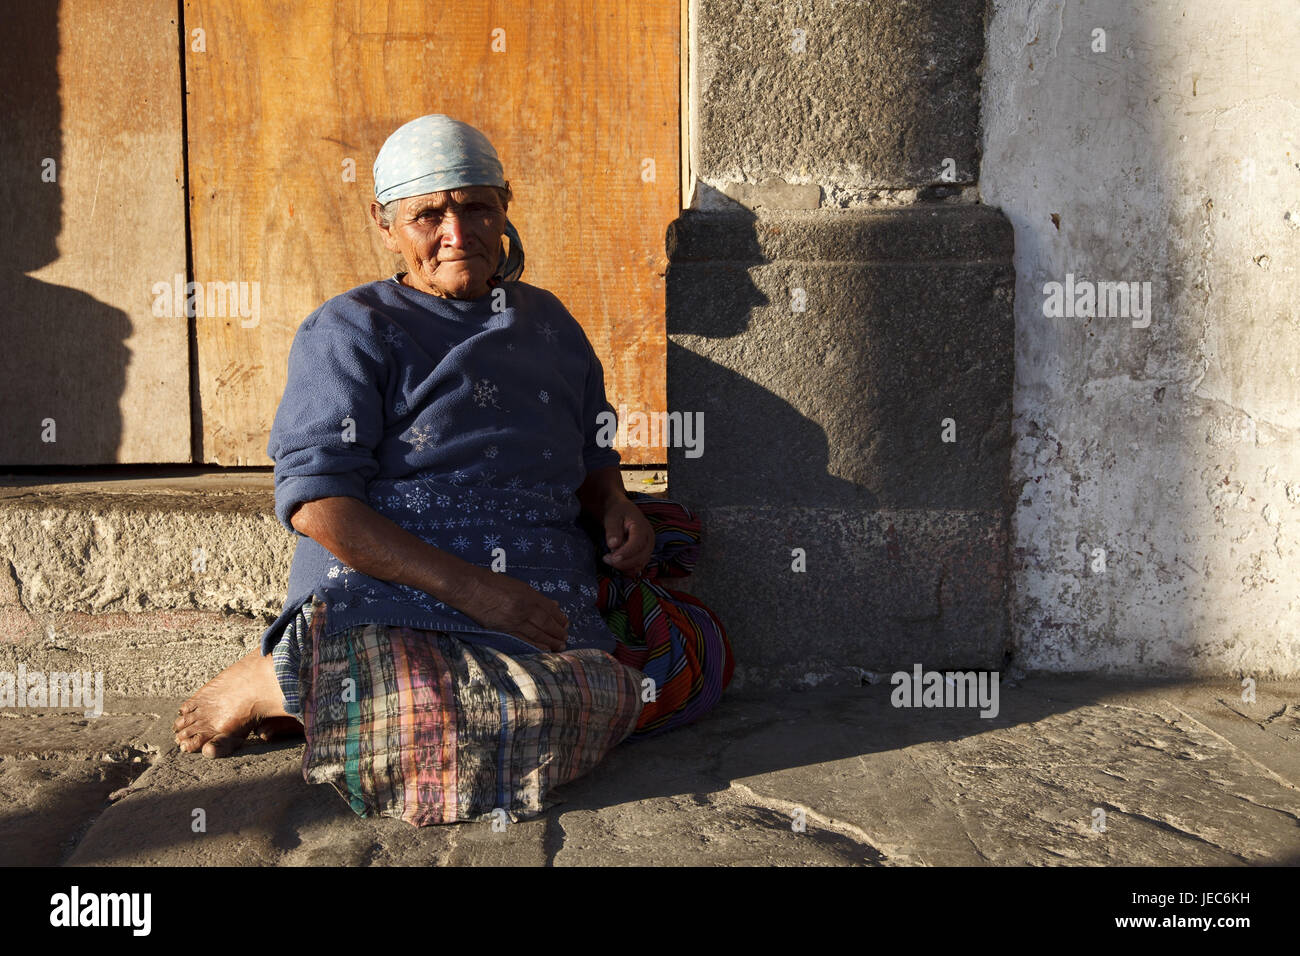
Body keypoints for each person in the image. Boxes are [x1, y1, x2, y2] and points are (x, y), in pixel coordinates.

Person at [172, 115, 732, 825]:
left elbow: (590, 449)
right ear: (383, 224)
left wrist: (615, 503)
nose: (457, 234)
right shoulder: (351, 327)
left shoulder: (550, 323)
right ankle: (280, 680)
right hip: (398, 589)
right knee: (440, 730)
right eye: (427, 214)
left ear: (504, 205)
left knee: (645, 684)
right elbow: (318, 502)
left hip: (538, 591)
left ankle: (324, 698)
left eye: (475, 207)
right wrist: (475, 592)